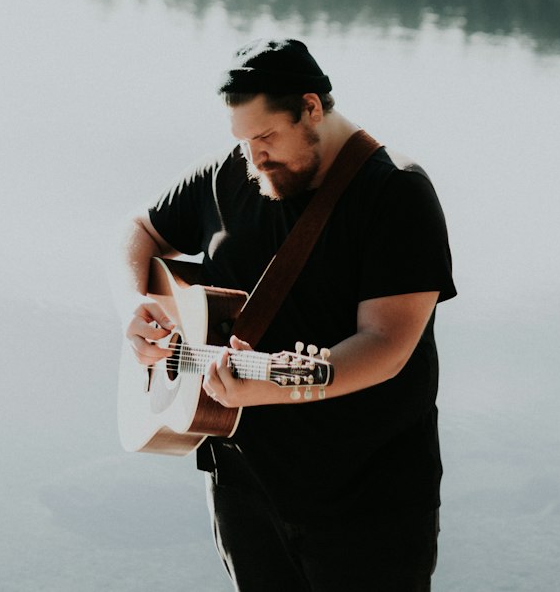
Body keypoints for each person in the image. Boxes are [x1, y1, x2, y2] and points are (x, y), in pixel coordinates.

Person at [121, 37, 456, 592]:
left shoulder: (397, 193)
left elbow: (386, 346)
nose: (253, 157)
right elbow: (136, 232)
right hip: (244, 488)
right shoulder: (229, 174)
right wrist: (135, 303)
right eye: (242, 139)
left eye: (266, 136)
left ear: (312, 108)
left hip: (369, 503)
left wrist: (270, 389)